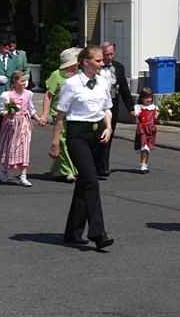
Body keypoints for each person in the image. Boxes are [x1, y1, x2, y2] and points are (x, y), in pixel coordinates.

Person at [49, 45, 114, 250]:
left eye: (102, 60)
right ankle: (98, 232)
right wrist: (55, 141)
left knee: (84, 184)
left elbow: (107, 108)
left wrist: (109, 127)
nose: (102, 64)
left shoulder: (103, 81)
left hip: (97, 134)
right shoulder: (71, 84)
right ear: (85, 62)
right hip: (77, 134)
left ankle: (72, 232)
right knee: (91, 182)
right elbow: (61, 114)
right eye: (98, 60)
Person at [0, 71, 45, 186]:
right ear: (14, 82)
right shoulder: (6, 95)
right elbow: (2, 111)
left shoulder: (28, 94)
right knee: (9, 147)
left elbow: (31, 109)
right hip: (11, 124)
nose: (24, 83)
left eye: (25, 80)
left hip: (24, 124)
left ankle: (23, 175)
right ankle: (4, 171)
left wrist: (39, 119)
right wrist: (10, 111)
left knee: (24, 147)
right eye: (22, 80)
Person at [42, 47, 81, 183]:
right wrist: (45, 114)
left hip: (75, 114)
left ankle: (57, 169)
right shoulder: (56, 75)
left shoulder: (80, 75)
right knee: (62, 142)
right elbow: (48, 95)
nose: (76, 66)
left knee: (71, 142)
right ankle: (70, 171)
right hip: (58, 114)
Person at [97, 41, 134, 177]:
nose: (110, 57)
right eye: (107, 54)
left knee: (108, 135)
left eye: (112, 54)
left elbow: (124, 88)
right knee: (96, 135)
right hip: (96, 105)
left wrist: (130, 108)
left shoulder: (119, 67)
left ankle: (103, 166)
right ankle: (94, 165)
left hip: (112, 104)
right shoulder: (96, 66)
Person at [134, 87, 159, 174]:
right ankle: (143, 165)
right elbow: (136, 115)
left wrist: (158, 116)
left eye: (150, 97)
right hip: (143, 129)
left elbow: (156, 119)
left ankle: (145, 164)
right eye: (146, 98)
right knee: (143, 147)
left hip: (151, 130)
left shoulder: (154, 108)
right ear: (141, 98)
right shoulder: (139, 107)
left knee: (148, 148)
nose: (148, 99)